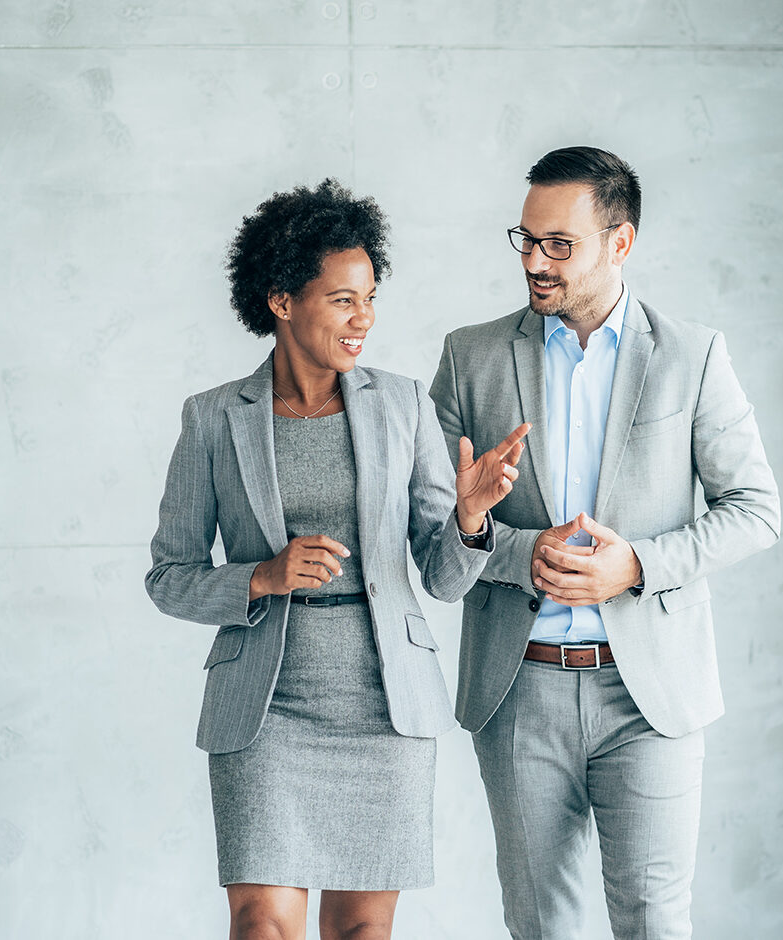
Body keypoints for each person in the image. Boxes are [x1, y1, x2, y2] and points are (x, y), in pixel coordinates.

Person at [145, 179, 529, 940]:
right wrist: (262, 576)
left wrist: (471, 515)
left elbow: (444, 576)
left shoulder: (403, 403)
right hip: (265, 710)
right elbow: (169, 576)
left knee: (360, 931)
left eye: (371, 297)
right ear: (282, 300)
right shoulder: (215, 418)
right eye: (344, 300)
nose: (366, 320)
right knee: (262, 923)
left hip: (383, 703)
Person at [430, 146, 780, 939]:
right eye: (526, 240)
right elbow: (434, 539)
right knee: (539, 926)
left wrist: (637, 566)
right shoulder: (470, 357)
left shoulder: (694, 355)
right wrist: (500, 540)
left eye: (560, 244)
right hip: (519, 690)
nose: (535, 261)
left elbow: (755, 508)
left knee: (655, 923)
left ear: (619, 244)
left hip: (650, 696)